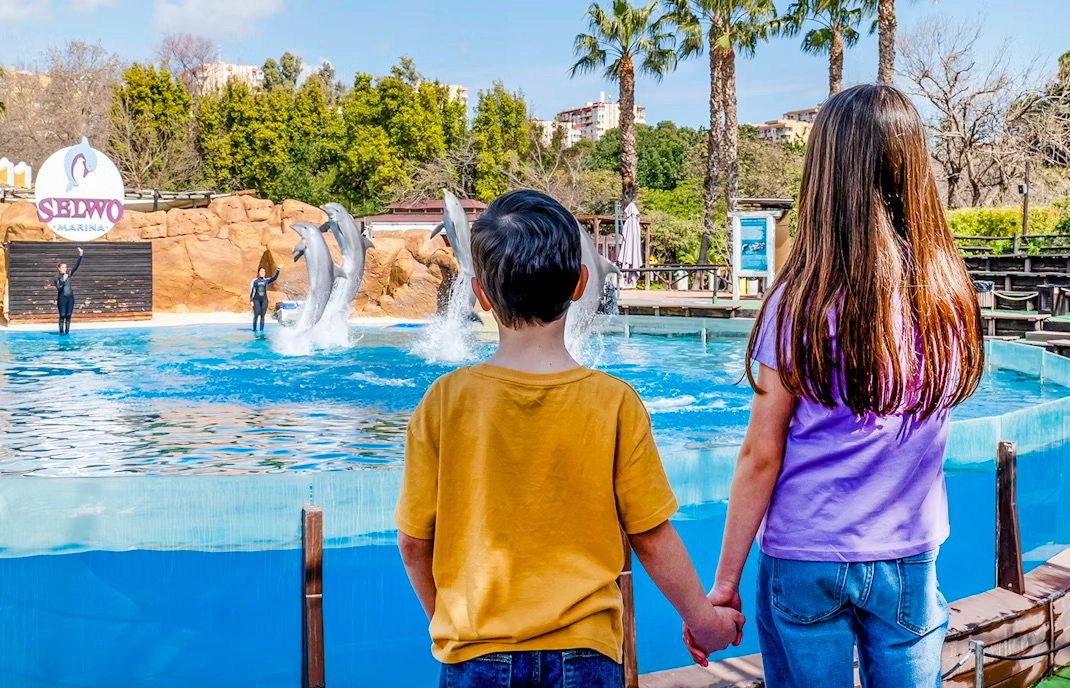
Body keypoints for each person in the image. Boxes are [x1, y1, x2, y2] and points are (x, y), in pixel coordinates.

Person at [690, 84, 986, 687]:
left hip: (804, 556)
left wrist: (723, 584)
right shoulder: (948, 298)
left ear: (824, 177)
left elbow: (760, 455)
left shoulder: (798, 303)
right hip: (907, 556)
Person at [396, 190, 743, 688]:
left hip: (474, 655)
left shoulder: (444, 402)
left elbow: (412, 542)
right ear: (581, 283)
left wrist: (447, 624)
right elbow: (649, 534)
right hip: (585, 656)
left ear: (481, 294)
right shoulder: (613, 402)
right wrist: (706, 623)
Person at [53, 247, 83, 336]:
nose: (65, 269)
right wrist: (63, 280)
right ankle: (61, 333)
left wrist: (80, 255)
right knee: (62, 315)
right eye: (63, 267)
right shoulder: (57, 277)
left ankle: (67, 333)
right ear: (59, 268)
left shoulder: (68, 274)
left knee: (68, 315)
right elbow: (59, 288)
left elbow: (76, 266)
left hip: (70, 298)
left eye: (65, 267)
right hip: (62, 298)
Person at [249, 266, 280, 333]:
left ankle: (261, 331)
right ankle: (254, 330)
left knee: (262, 316)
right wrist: (251, 300)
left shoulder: (266, 280)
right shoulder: (255, 281)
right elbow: (251, 291)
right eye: (261, 271)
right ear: (258, 272)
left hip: (264, 300)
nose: (263, 273)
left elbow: (274, 278)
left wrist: (278, 270)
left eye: (264, 271)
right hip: (256, 299)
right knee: (256, 315)